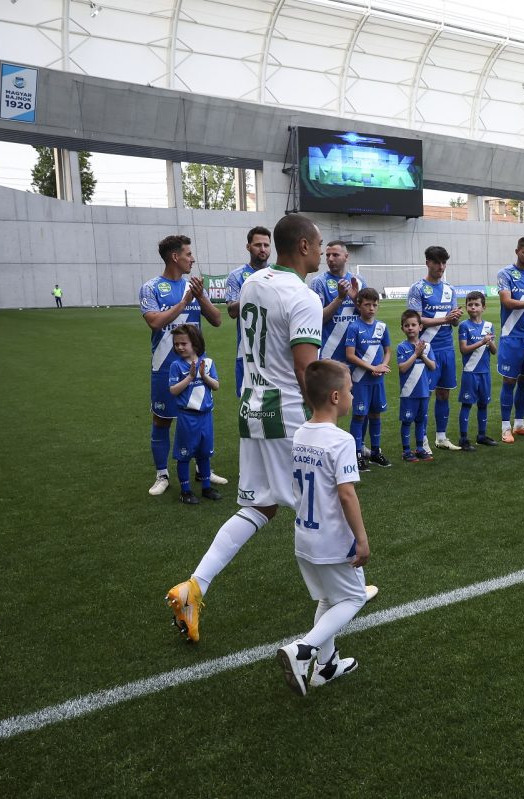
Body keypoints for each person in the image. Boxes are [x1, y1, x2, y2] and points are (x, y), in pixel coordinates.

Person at [165, 214, 375, 644]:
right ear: (303, 246)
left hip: (253, 405)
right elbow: (305, 368)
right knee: (324, 498)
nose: (322, 251)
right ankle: (347, 590)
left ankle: (194, 587)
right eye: (319, 243)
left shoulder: (253, 283)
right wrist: (322, 418)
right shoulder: (302, 296)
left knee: (260, 506)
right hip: (288, 410)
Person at [275, 360, 370, 696]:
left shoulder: (301, 433)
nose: (353, 395)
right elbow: (346, 494)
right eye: (350, 390)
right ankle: (303, 649)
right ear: (335, 397)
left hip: (305, 536)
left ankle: (327, 665)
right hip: (332, 539)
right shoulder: (341, 440)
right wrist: (362, 539)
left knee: (329, 599)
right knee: (354, 597)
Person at [141, 234, 223, 498]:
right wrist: (184, 302)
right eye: (188, 254)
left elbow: (217, 320)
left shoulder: (193, 286)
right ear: (175, 257)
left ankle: (202, 470)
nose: (192, 259)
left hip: (196, 370)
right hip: (164, 368)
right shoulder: (151, 287)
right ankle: (162, 474)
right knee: (162, 420)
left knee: (198, 417)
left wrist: (200, 298)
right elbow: (155, 322)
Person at [408, 245, 462, 451]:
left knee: (444, 394)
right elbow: (416, 319)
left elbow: (453, 322)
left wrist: (455, 318)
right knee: (425, 396)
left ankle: (441, 437)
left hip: (447, 349)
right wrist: (445, 319)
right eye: (437, 262)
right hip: (426, 350)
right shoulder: (418, 289)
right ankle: (421, 440)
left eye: (444, 263)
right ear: (428, 263)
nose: (441, 267)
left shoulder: (450, 289)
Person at [167, 325, 221, 505]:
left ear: (195, 344)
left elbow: (216, 385)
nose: (179, 347)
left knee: (204, 453)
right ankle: (185, 491)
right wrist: (190, 377)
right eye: (176, 344)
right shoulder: (176, 365)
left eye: (184, 343)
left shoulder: (208, 363)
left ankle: (206, 487)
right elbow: (173, 390)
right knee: (184, 454)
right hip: (187, 417)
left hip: (206, 416)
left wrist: (204, 376)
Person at [497, 237, 524, 443]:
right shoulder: (505, 274)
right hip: (511, 337)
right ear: (517, 251)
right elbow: (507, 302)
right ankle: (505, 427)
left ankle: (519, 424)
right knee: (509, 381)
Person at [343, 287, 392, 470]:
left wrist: (383, 366)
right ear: (359, 305)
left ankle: (375, 452)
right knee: (359, 415)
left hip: (377, 380)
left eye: (374, 305)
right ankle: (356, 454)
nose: (371, 308)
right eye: (367, 304)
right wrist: (372, 367)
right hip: (360, 379)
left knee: (375, 414)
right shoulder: (354, 327)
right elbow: (350, 355)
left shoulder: (382, 327)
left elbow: (388, 351)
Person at [226, 226, 272, 396]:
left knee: (274, 401)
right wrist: (254, 291)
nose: (263, 249)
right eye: (258, 245)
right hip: (247, 351)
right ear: (248, 247)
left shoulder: (277, 273)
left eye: (266, 245)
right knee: (246, 402)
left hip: (274, 350)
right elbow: (232, 311)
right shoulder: (236, 276)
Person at [311, 241, 363, 366]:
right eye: (328, 255)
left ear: (346, 256)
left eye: (335, 255)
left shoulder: (358, 281)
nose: (330, 259)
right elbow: (316, 319)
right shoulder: (319, 282)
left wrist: (355, 299)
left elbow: (369, 315)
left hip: (357, 352)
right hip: (330, 353)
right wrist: (340, 299)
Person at [457, 291, 497, 450]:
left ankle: (481, 435)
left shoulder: (489, 326)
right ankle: (463, 439)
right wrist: (482, 342)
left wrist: (490, 342)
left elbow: (494, 351)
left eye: (476, 304)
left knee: (483, 404)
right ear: (466, 307)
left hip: (484, 372)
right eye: (470, 304)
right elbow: (463, 349)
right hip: (470, 372)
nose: (473, 307)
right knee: (467, 404)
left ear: (483, 307)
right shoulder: (464, 326)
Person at [397, 309, 436, 462]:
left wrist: (422, 355)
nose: (410, 328)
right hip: (409, 392)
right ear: (402, 328)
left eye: (413, 325)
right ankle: (406, 451)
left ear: (420, 327)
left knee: (420, 420)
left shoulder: (427, 346)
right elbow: (402, 368)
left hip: (424, 391)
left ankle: (420, 448)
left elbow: (433, 366)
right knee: (407, 421)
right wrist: (415, 354)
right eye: (407, 325)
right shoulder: (402, 347)